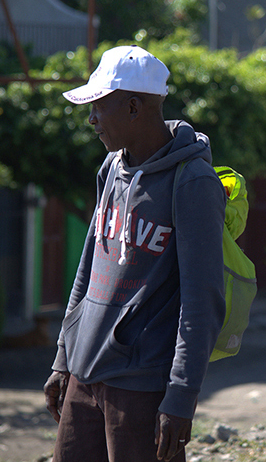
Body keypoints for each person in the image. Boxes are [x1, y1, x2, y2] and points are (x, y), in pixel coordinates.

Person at [43, 45, 226, 462]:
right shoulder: (111, 168)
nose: (91, 120)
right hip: (84, 376)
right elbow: (88, 269)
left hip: (141, 386)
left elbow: (202, 302)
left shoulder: (192, 181)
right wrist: (63, 358)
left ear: (132, 107)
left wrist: (180, 397)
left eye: (98, 107)